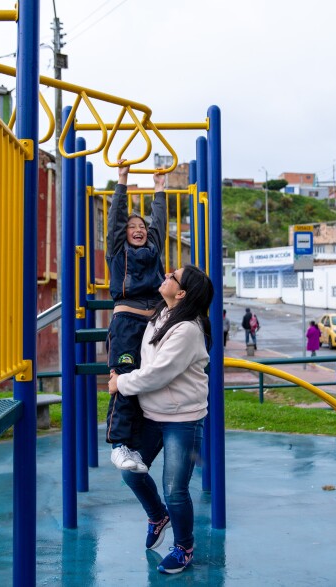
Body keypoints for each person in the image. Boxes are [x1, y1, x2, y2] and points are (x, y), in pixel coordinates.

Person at [108, 264, 214, 575]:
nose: (165, 275)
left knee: (175, 488)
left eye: (172, 276)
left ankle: (184, 547)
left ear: (181, 293)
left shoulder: (188, 330)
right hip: (153, 415)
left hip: (183, 419)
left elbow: (158, 373)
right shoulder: (160, 316)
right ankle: (157, 516)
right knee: (131, 471)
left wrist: (121, 384)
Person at [105, 160, 168, 473]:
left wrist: (159, 189)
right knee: (124, 379)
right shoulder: (118, 251)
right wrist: (122, 180)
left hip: (155, 323)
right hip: (128, 323)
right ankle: (119, 446)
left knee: (151, 382)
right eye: (133, 227)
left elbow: (158, 224)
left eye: (141, 226)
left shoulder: (153, 249)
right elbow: (116, 219)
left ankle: (139, 448)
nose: (139, 229)